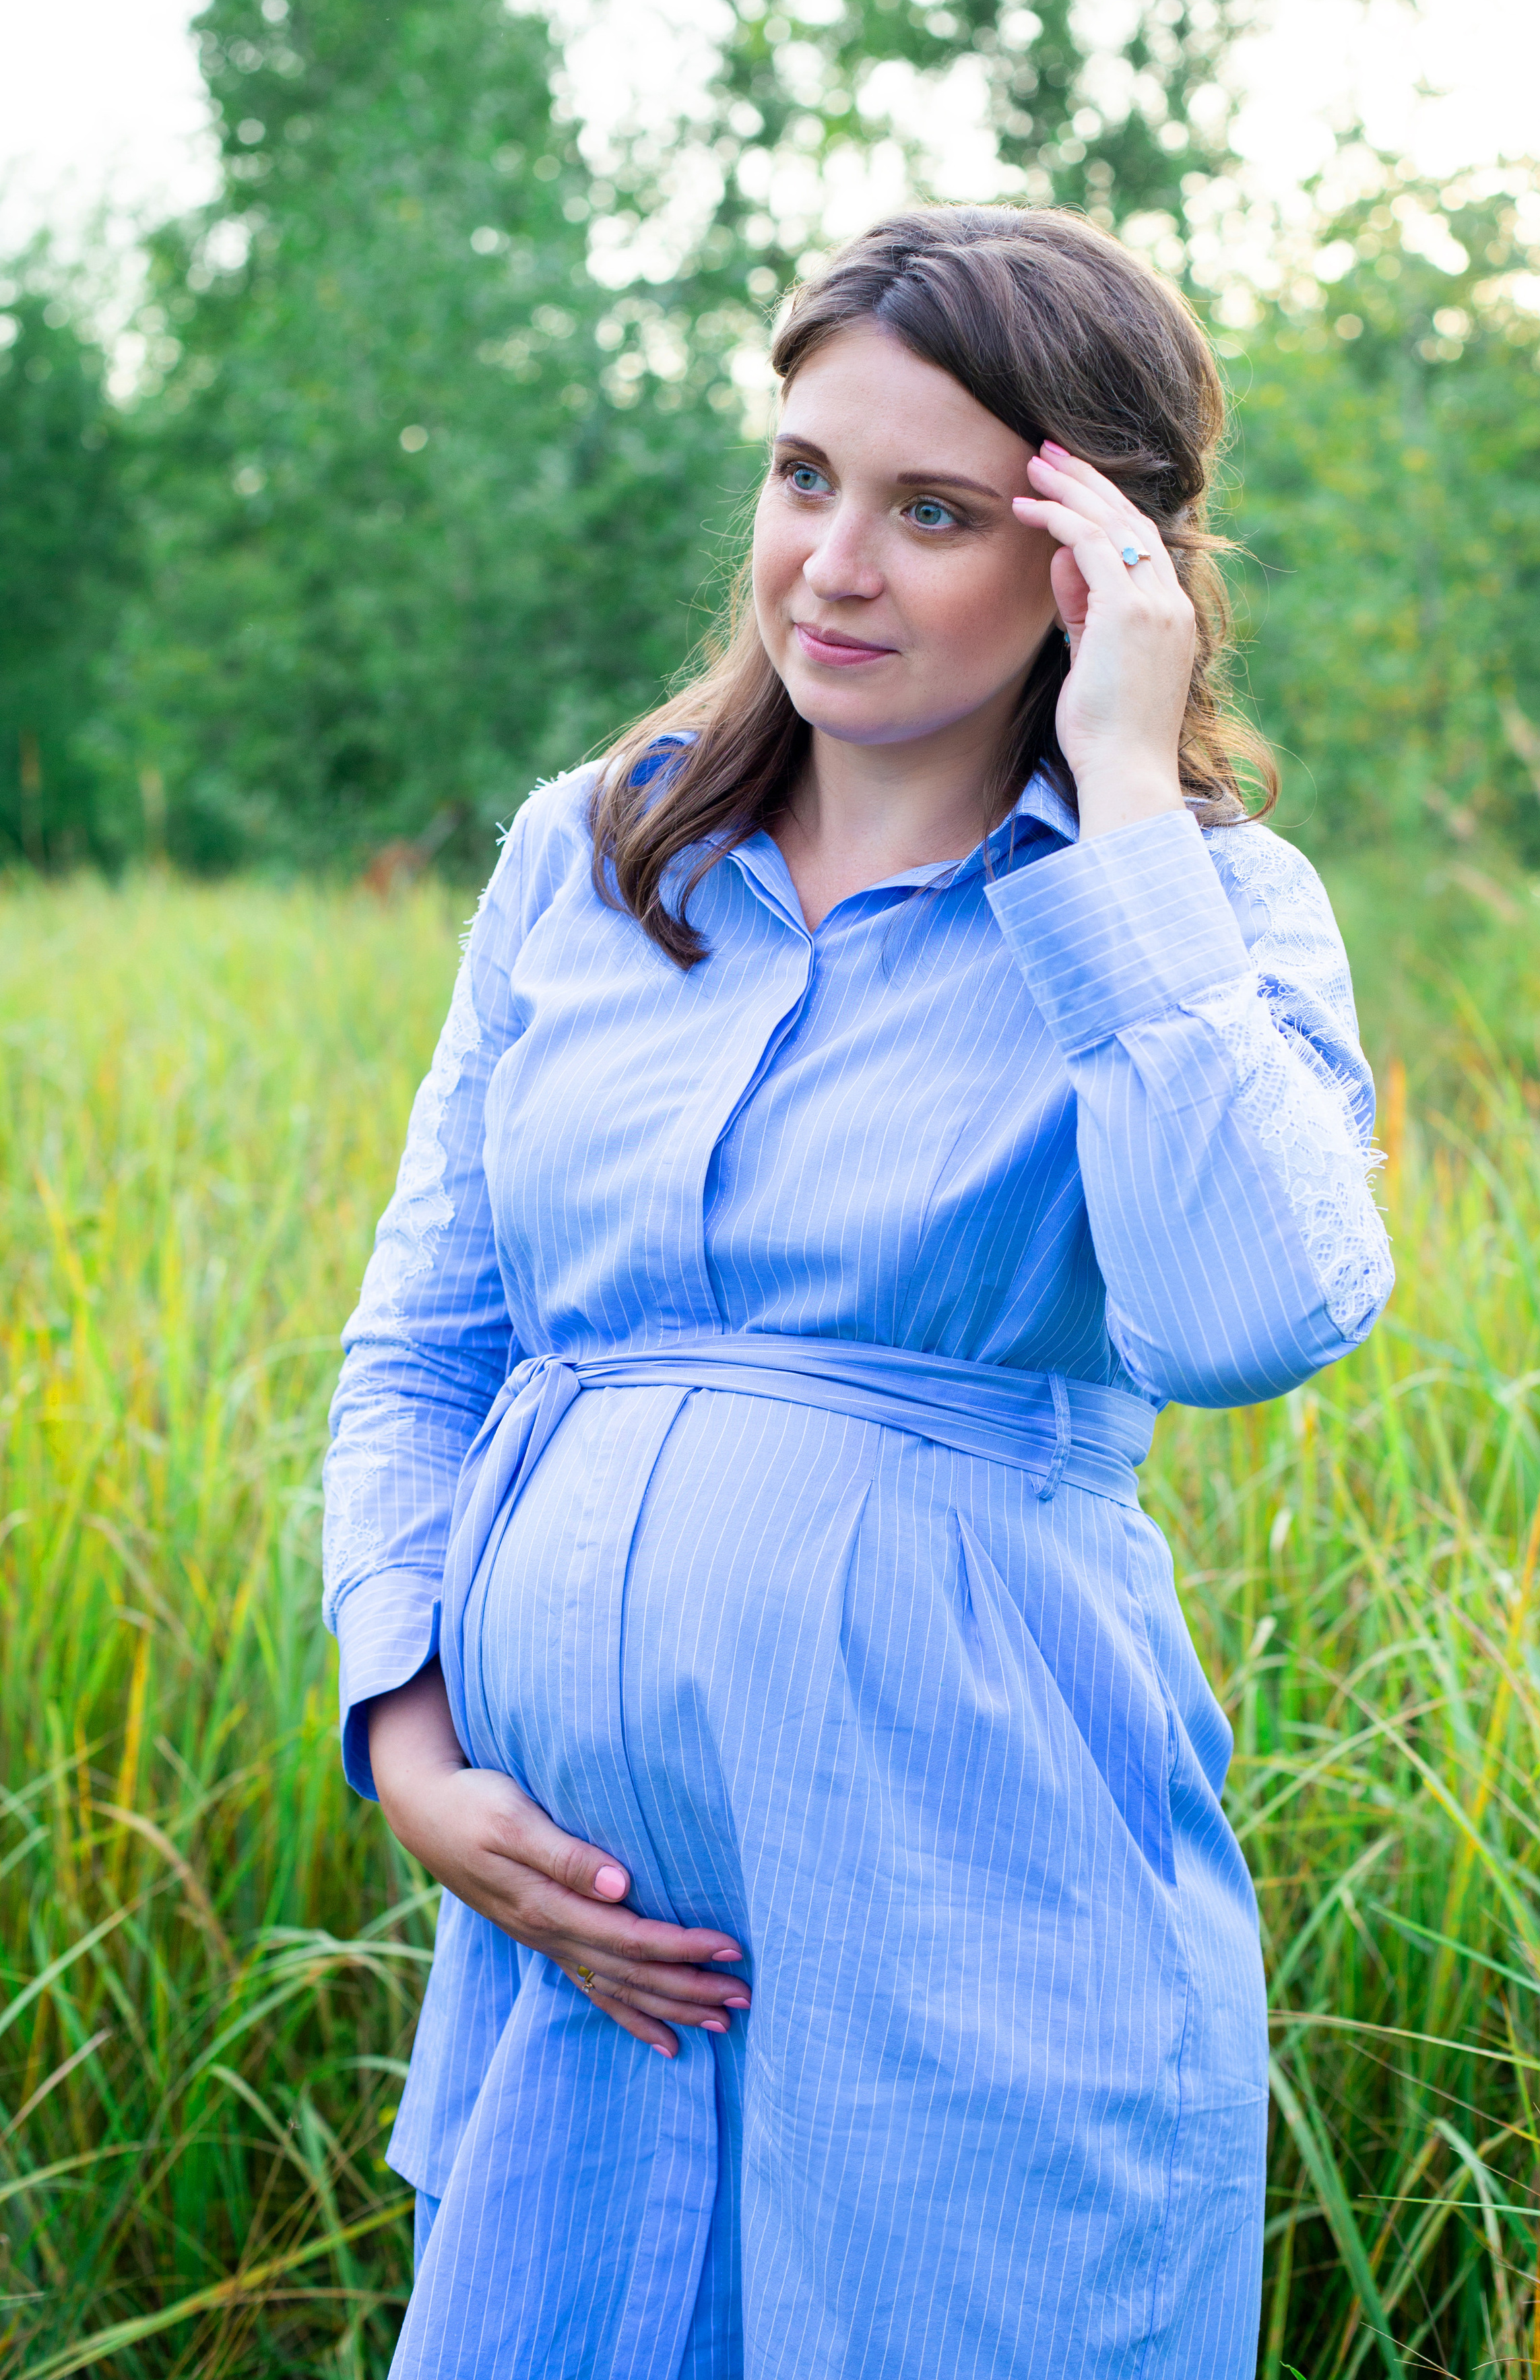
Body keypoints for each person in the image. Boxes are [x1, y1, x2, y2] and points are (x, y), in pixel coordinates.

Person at [323, 203, 1392, 2379]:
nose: (834, 562)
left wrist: (1117, 802)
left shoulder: (1208, 913)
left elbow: (1251, 1312)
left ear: (1103, 565)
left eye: (934, 510)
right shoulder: (594, 851)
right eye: (807, 475)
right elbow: (430, 1336)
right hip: (593, 1978)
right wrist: (412, 1745)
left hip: (966, 1939)